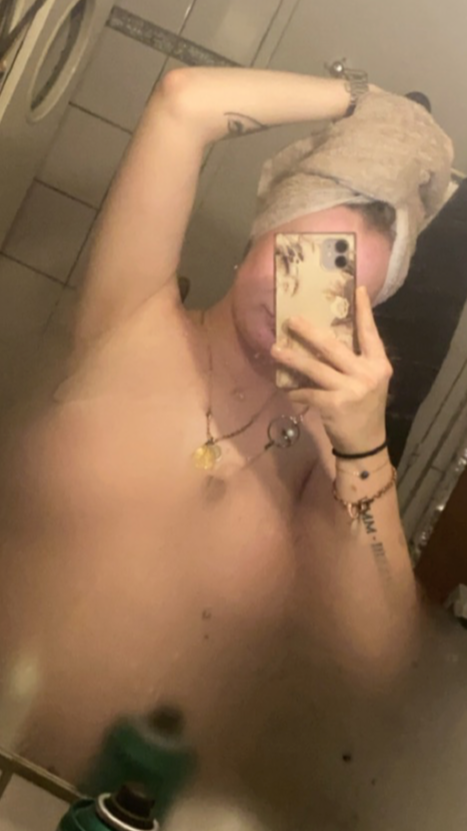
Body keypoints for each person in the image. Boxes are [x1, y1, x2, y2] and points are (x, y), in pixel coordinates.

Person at [0, 68, 453, 813]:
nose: (299, 303)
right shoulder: (133, 320)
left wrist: (365, 451)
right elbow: (183, 102)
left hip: (124, 806)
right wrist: (363, 103)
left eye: (339, 291)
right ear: (260, 230)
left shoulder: (325, 462)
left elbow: (374, 664)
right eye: (298, 257)